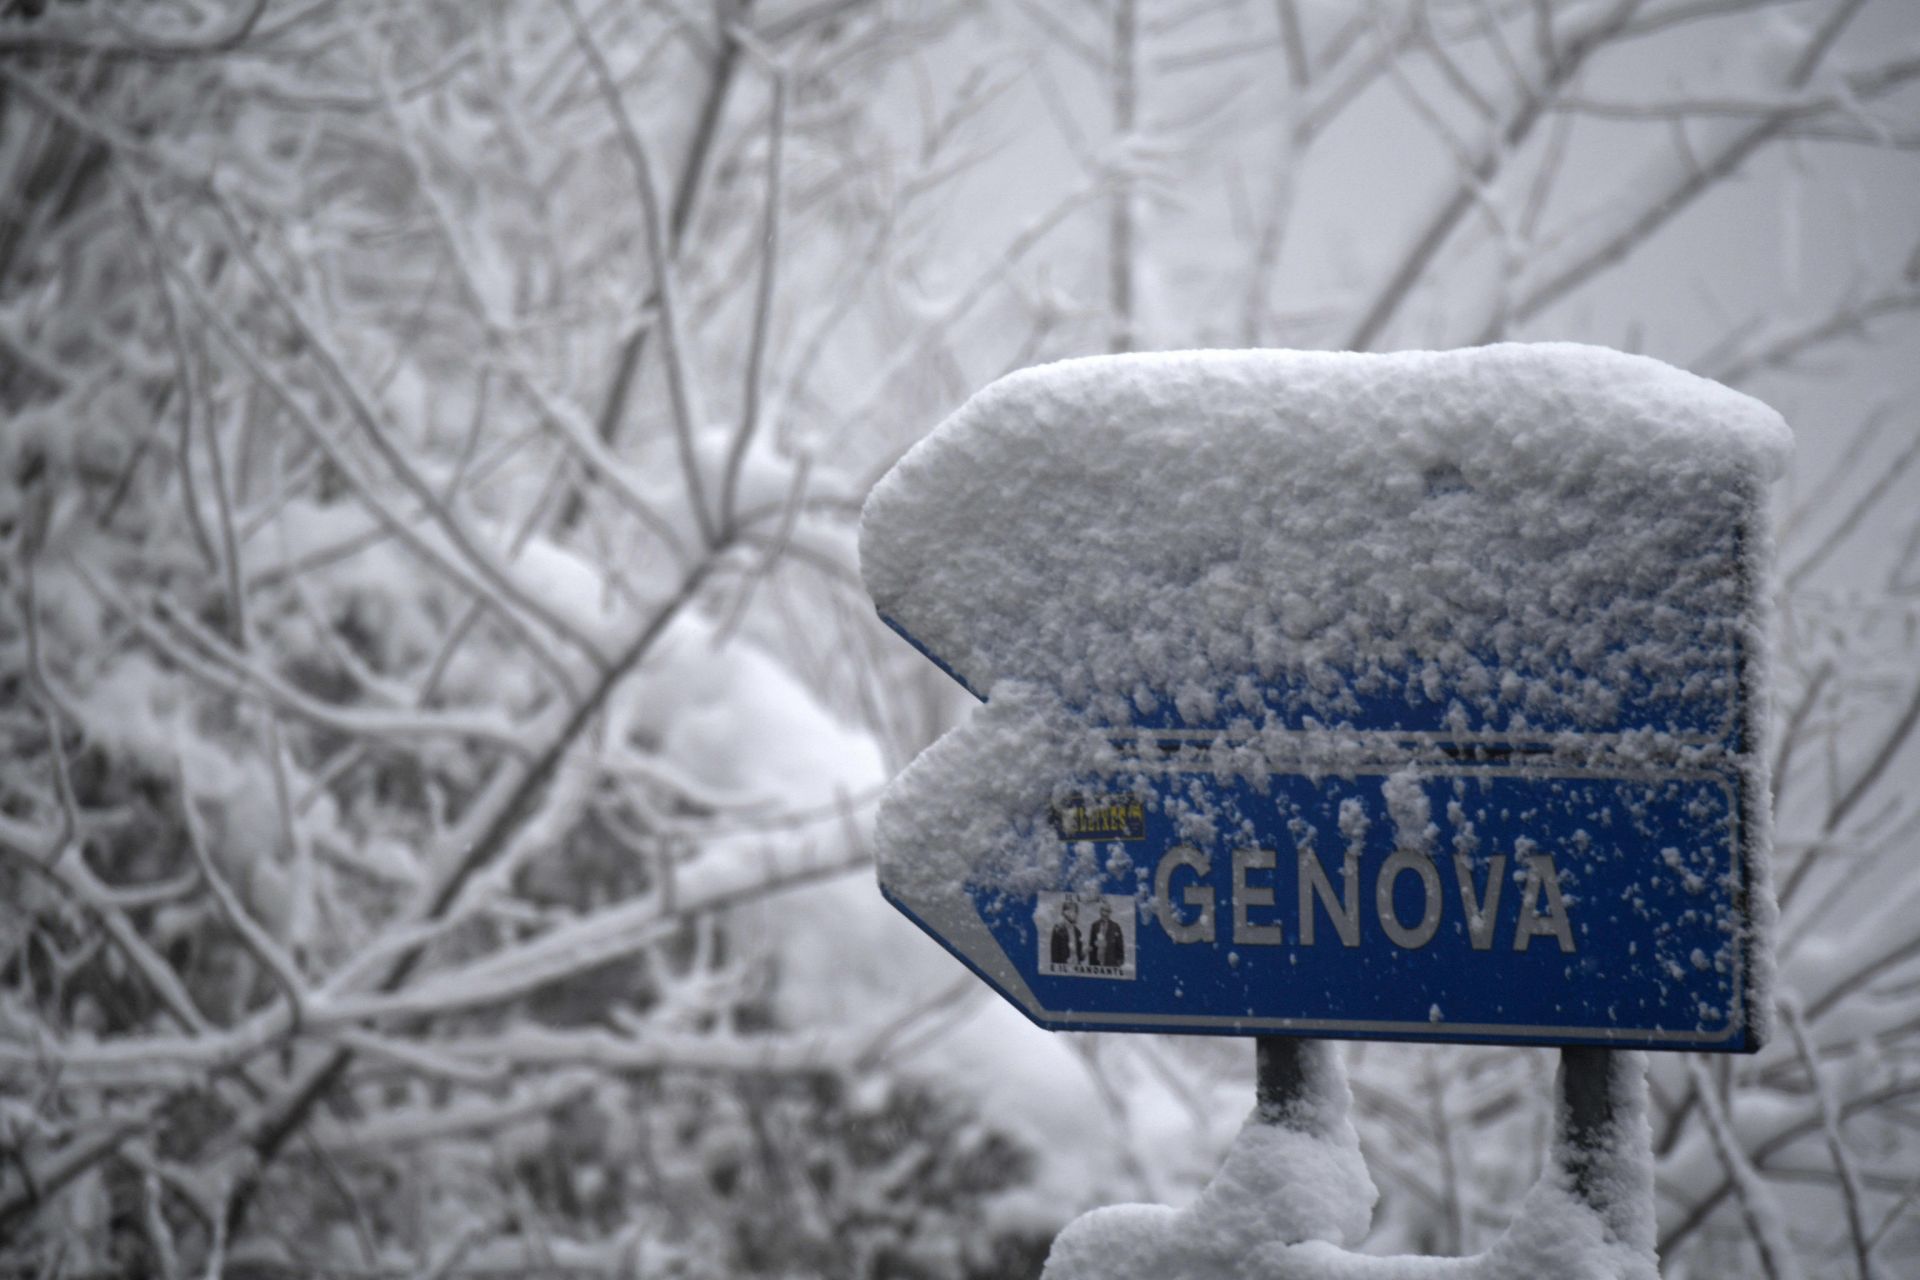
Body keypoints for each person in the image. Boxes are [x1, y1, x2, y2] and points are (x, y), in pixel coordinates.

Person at [1089, 899, 1126, 968]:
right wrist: (1091, 963)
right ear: (1100, 911)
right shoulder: (1095, 925)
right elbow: (1091, 945)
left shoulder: (1115, 927)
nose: (1105, 914)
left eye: (1107, 911)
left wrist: (1119, 962)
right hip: (1096, 964)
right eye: (1103, 910)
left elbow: (1120, 946)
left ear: (1110, 913)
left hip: (1111, 963)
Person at [1050, 899, 1083, 965]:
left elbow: (1080, 957)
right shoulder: (1058, 929)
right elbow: (1054, 955)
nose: (1076, 914)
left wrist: (1084, 952)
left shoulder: (1078, 932)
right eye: (1074, 911)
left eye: (1077, 912)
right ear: (1066, 912)